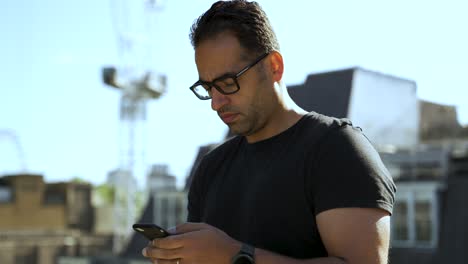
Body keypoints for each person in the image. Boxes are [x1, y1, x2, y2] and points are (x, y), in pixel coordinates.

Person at [142, 1, 396, 263]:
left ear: (274, 66)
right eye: (208, 89)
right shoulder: (211, 169)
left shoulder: (338, 149)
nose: (216, 103)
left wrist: (236, 256)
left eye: (228, 83)